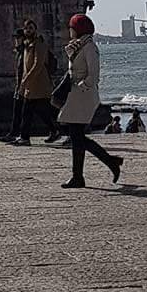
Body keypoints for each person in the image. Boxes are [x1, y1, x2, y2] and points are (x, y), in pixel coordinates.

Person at [57, 13, 123, 189]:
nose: (69, 30)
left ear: (78, 29)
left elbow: (93, 74)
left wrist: (82, 85)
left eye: (71, 27)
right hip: (76, 95)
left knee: (76, 136)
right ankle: (104, 165)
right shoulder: (77, 47)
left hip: (84, 96)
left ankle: (83, 175)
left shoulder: (89, 47)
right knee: (76, 136)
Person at [14, 19, 60, 146]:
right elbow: (24, 65)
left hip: (39, 83)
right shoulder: (27, 44)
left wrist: (26, 79)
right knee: (38, 110)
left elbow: (37, 64)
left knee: (30, 110)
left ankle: (25, 137)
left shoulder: (39, 44)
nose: (28, 30)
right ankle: (53, 131)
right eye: (26, 28)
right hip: (31, 85)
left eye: (31, 28)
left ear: (35, 30)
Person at [0, 29, 26, 142]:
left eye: (18, 38)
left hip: (26, 85)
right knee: (19, 109)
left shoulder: (25, 51)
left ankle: (55, 129)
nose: (16, 40)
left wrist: (21, 85)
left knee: (41, 109)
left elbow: (25, 70)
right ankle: (15, 133)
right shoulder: (20, 52)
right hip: (21, 85)